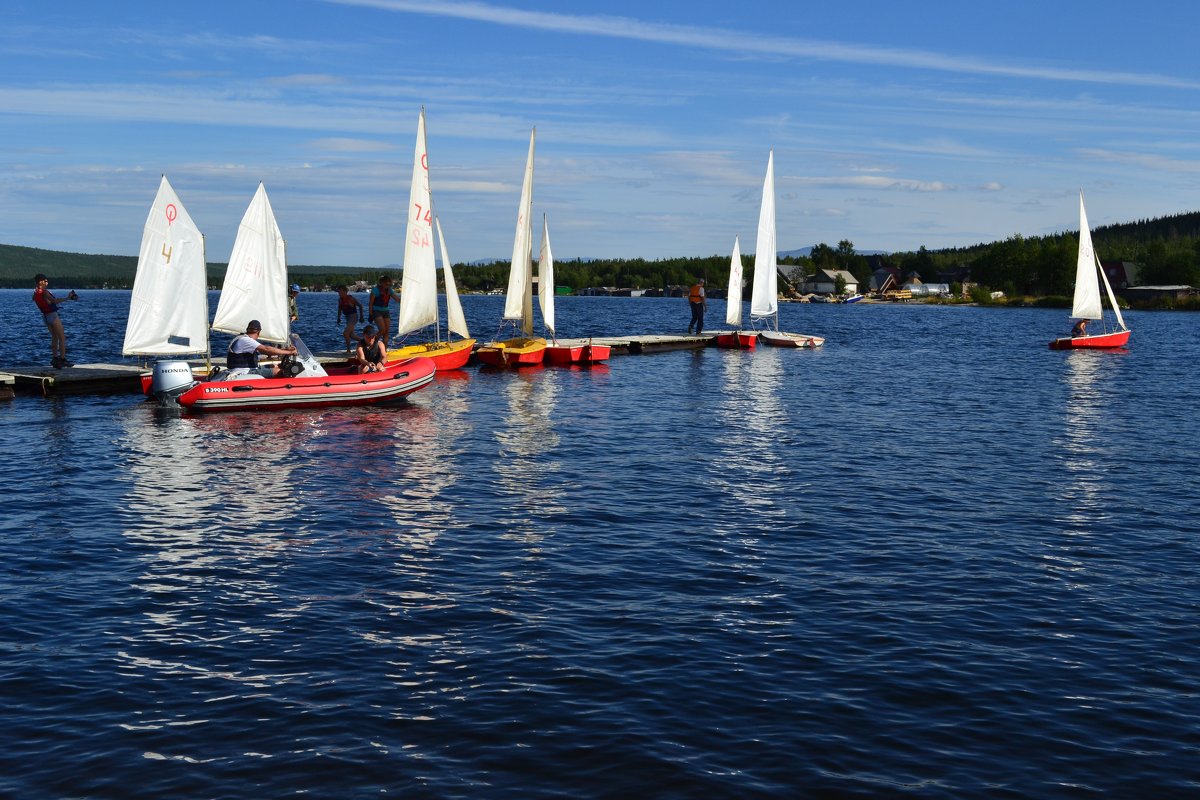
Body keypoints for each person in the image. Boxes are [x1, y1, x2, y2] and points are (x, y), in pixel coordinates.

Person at [32, 273, 78, 368]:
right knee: (62, 338)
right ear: (41, 282)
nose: (47, 282)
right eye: (45, 281)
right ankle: (63, 360)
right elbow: (54, 301)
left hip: (45, 316)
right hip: (52, 315)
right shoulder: (44, 292)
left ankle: (55, 359)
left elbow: (41, 301)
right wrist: (68, 298)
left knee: (54, 337)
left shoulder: (36, 293)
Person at [226, 319, 298, 377]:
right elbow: (267, 349)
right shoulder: (246, 340)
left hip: (239, 370)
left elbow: (265, 351)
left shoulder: (241, 338)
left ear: (247, 329)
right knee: (279, 371)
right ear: (258, 332)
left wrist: (286, 350)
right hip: (245, 372)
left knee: (274, 366)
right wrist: (289, 352)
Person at [368, 275, 402, 344]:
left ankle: (384, 349)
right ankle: (372, 343)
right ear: (381, 283)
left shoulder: (389, 291)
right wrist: (370, 314)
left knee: (386, 332)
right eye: (386, 284)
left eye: (389, 285)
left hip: (385, 311)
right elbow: (370, 304)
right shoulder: (375, 290)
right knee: (382, 330)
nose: (388, 286)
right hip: (376, 311)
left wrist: (407, 301)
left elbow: (397, 299)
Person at [336, 285, 365, 353]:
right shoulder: (340, 300)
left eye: (340, 292)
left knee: (346, 333)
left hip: (353, 317)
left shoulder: (351, 298)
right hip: (347, 318)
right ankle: (365, 342)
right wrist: (338, 318)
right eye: (338, 293)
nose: (339, 294)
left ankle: (348, 350)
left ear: (345, 292)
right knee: (352, 335)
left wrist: (361, 317)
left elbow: (360, 306)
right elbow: (339, 309)